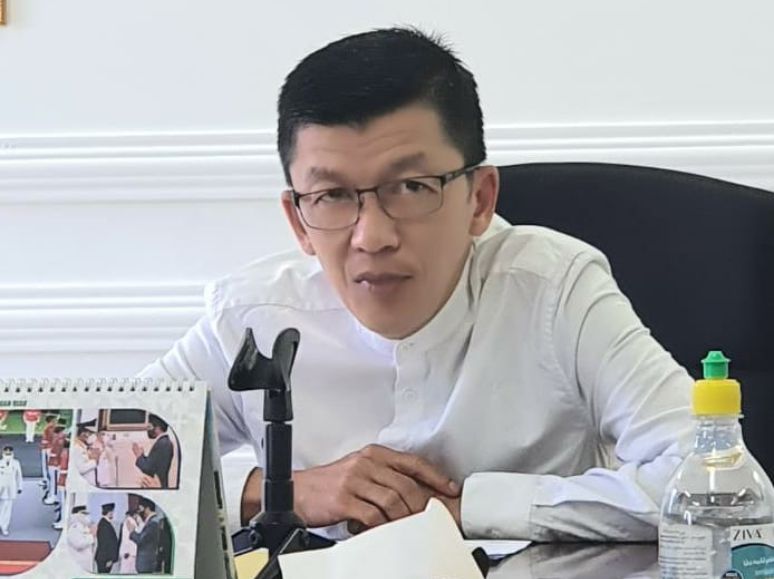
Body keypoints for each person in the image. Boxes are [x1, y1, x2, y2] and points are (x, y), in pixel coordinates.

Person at [139, 28, 694, 541]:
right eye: (332, 196)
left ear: (479, 200)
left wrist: (469, 507)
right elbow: (96, 472)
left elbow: (711, 476)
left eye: (410, 187)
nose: (372, 237)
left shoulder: (554, 290)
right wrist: (284, 493)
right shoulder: (255, 316)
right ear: (298, 221)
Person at [132, 414, 174, 488]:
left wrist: (139, 456)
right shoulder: (164, 442)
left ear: (157, 428)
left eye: (149, 426)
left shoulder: (162, 444)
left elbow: (148, 469)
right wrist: (142, 456)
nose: (147, 430)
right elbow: (153, 464)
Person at [130, 497, 162, 573]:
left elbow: (141, 540)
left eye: (140, 508)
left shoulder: (152, 523)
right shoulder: (151, 521)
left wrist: (132, 532)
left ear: (147, 509)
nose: (139, 512)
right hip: (146, 563)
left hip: (146, 564)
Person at [0, 446, 23, 536]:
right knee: (1, 507)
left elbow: (19, 476)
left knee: (7, 508)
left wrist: (20, 487)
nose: (8, 454)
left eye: (9, 453)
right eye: (6, 453)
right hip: (1, 488)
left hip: (10, 489)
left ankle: (4, 526)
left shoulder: (16, 463)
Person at [72, 420, 101, 486]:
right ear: (83, 434)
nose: (93, 436)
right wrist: (95, 461)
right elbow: (81, 469)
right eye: (91, 433)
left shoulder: (84, 447)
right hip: (83, 485)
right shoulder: (77, 448)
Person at [68, 505, 96, 572]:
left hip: (86, 564)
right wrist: (92, 536)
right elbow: (78, 544)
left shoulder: (84, 527)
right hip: (79, 564)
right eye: (84, 514)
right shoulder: (75, 527)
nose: (86, 516)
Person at [94, 502, 120, 573]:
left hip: (104, 558)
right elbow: (105, 543)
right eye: (112, 511)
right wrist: (109, 559)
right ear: (109, 512)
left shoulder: (105, 523)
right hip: (105, 559)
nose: (112, 513)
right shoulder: (104, 525)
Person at [117, 509, 138, 573]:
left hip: (128, 552)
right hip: (130, 553)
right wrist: (127, 551)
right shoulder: (130, 522)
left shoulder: (127, 522)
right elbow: (127, 538)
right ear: (135, 515)